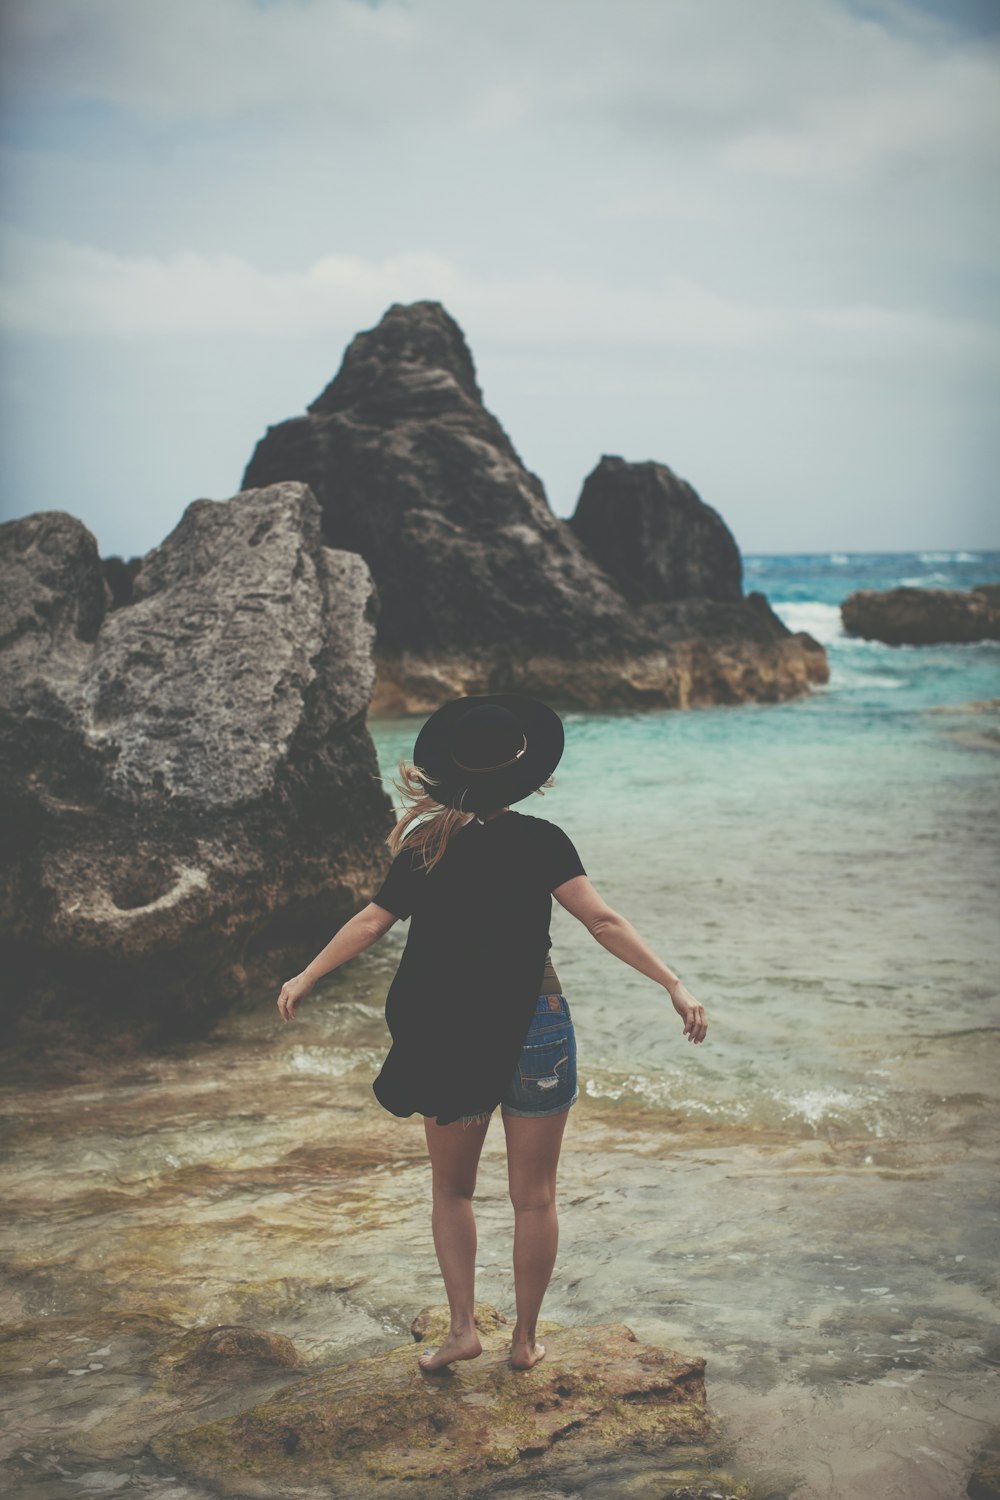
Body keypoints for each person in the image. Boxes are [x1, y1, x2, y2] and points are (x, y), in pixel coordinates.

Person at [276, 694, 707, 1375]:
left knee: (452, 1191)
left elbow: (370, 922)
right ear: (523, 774)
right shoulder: (543, 840)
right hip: (537, 1023)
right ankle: (525, 1342)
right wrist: (673, 983)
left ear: (448, 771)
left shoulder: (425, 845)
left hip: (450, 1034)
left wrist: (305, 975)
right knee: (533, 1195)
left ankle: (460, 1332)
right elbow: (603, 922)